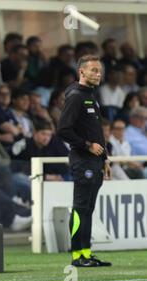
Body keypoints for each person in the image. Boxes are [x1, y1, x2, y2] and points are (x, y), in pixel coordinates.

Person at [58, 54, 112, 267]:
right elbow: (63, 129)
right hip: (83, 161)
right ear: (82, 72)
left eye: (99, 71)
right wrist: (87, 145)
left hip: (95, 162)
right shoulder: (76, 97)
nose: (98, 74)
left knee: (87, 208)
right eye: (93, 70)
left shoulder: (90, 96)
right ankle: (76, 256)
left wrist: (105, 158)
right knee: (80, 207)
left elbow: (97, 131)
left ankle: (86, 253)